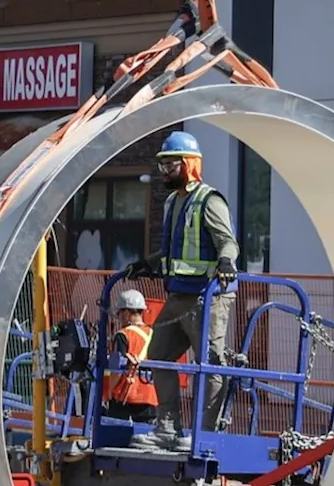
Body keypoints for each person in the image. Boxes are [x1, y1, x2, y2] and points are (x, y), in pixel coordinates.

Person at [124, 130, 239, 451]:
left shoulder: (209, 199)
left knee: (210, 363)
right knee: (158, 355)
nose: (164, 170)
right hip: (178, 296)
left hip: (207, 297)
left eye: (171, 164)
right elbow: (174, 252)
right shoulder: (174, 202)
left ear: (189, 164)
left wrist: (227, 261)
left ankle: (206, 436)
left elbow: (227, 242)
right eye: (162, 164)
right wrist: (146, 263)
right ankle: (168, 428)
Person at [102, 289, 159, 424]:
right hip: (150, 396)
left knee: (116, 438)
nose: (118, 317)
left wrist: (108, 392)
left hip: (125, 397)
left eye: (119, 313)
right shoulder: (153, 334)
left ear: (127, 313)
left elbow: (117, 369)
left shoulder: (123, 335)